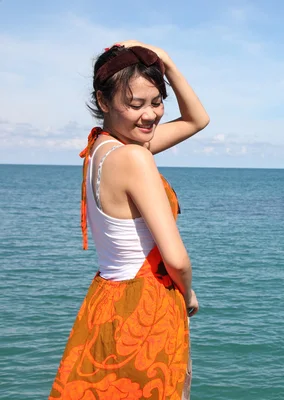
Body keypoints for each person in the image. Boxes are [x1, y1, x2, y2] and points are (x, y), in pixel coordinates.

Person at [48, 40, 209, 400]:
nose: (150, 115)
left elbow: (197, 120)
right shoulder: (135, 159)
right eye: (136, 104)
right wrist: (186, 295)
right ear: (103, 102)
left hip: (107, 300)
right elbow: (177, 259)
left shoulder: (101, 149)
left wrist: (165, 60)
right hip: (144, 307)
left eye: (156, 102)